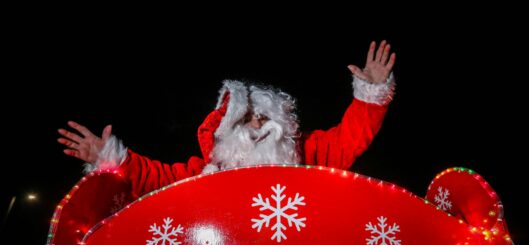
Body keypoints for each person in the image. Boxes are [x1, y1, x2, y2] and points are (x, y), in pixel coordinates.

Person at [58, 40, 396, 198]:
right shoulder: (207, 173)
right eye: (247, 118)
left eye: (264, 117)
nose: (257, 125)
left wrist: (371, 94)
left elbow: (351, 137)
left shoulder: (306, 155)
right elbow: (155, 178)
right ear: (226, 131)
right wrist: (110, 157)